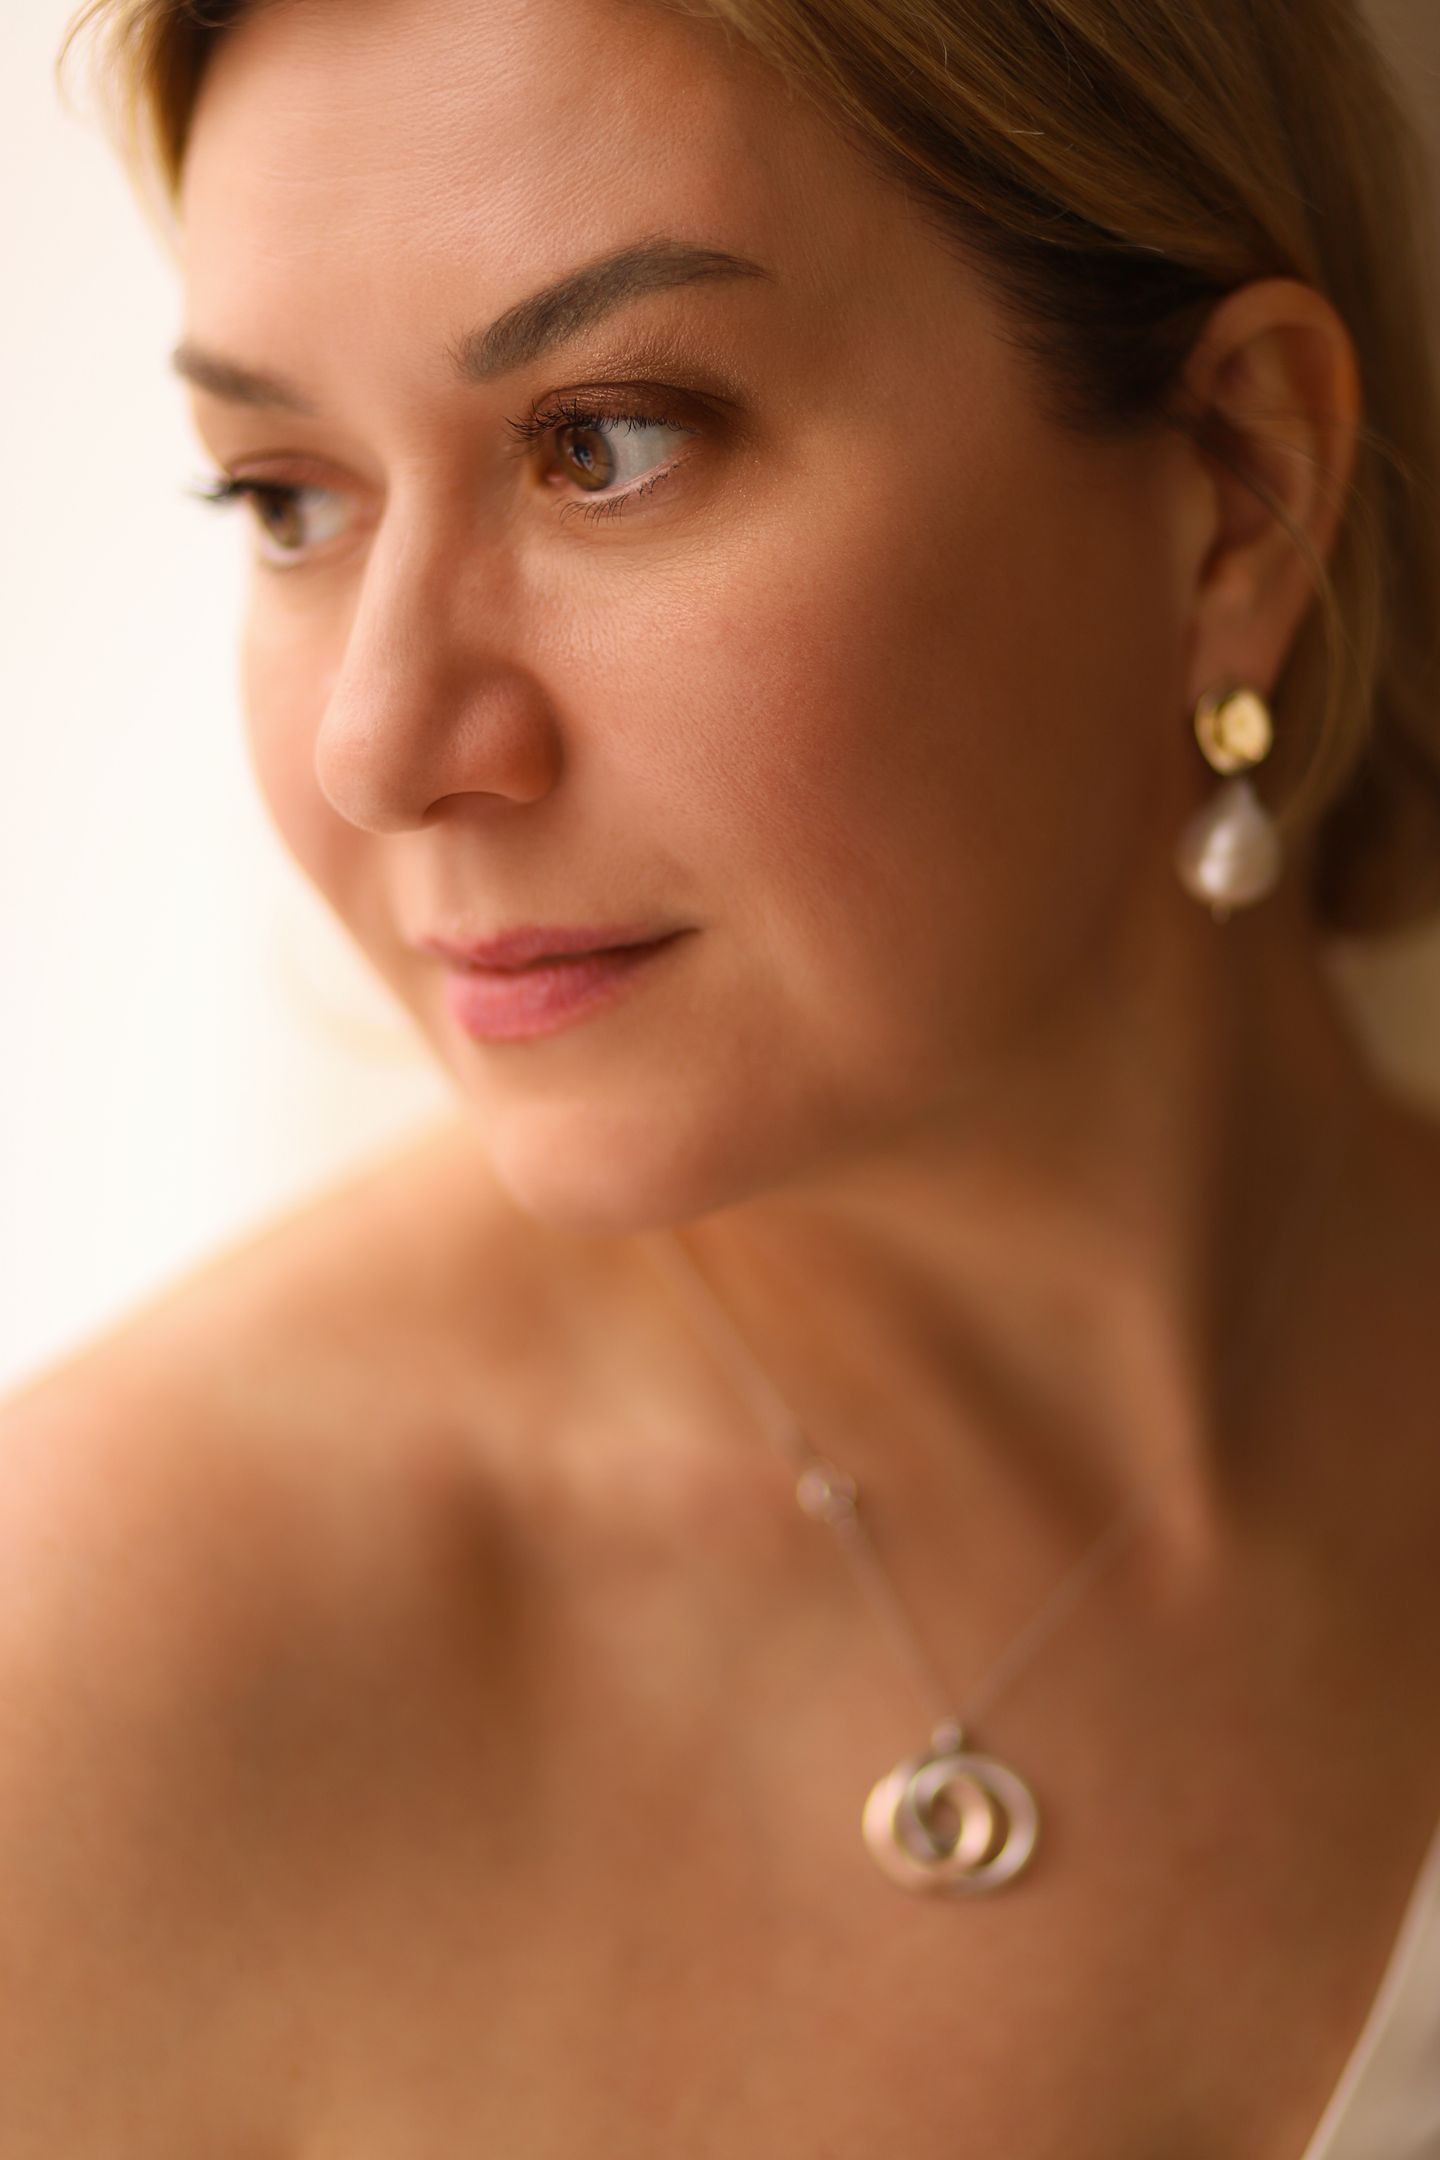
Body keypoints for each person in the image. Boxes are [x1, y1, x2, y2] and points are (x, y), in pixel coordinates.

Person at [5, 0, 1440, 2148]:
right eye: (284, 497)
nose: (379, 744)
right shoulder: (95, 1680)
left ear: (1237, 487)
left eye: (605, 444)